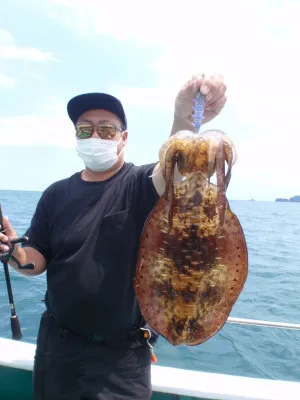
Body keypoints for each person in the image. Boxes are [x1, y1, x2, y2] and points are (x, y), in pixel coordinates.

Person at [0, 73, 227, 400]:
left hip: (121, 360)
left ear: (123, 138)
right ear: (75, 137)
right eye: (84, 129)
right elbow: (35, 261)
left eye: (106, 129)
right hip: (56, 350)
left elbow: (179, 169)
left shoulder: (140, 184)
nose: (94, 135)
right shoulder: (55, 194)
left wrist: (184, 116)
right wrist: (12, 252)